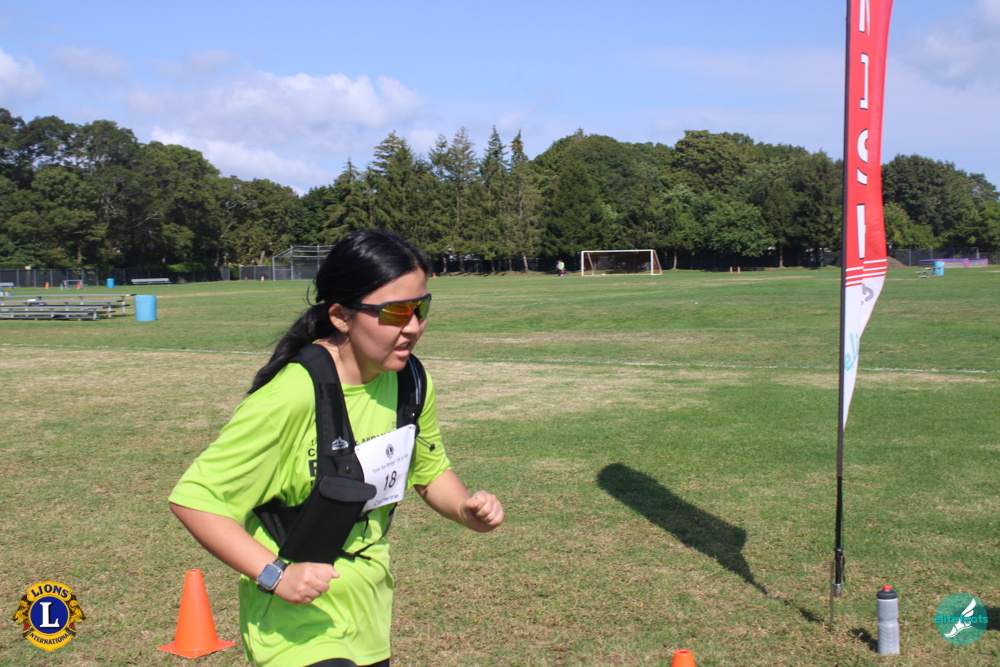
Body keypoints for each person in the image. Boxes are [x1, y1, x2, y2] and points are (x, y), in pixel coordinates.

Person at [168, 230, 504, 667]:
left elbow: (429, 470)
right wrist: (276, 575)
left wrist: (464, 509)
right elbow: (197, 499)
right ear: (341, 316)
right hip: (293, 628)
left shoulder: (411, 382)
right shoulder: (291, 395)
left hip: (368, 621)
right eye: (395, 312)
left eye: (420, 308)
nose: (413, 327)